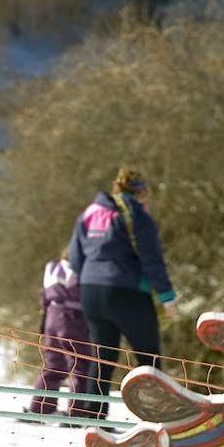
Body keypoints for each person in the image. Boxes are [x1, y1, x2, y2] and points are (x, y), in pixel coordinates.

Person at [68, 167, 179, 422]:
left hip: (91, 293)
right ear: (139, 192)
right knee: (148, 356)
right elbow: (152, 261)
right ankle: (157, 419)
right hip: (127, 292)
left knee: (102, 355)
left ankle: (93, 418)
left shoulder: (90, 213)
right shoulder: (137, 215)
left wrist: (93, 276)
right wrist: (167, 298)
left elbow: (74, 258)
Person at [27, 256, 94, 422]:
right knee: (80, 364)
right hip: (72, 317)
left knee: (53, 365)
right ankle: (76, 412)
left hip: (51, 316)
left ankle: (41, 408)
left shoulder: (51, 267)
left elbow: (43, 295)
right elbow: (81, 291)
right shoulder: (79, 267)